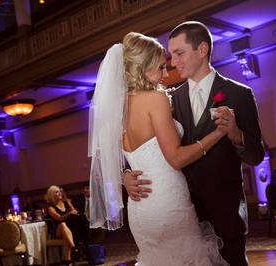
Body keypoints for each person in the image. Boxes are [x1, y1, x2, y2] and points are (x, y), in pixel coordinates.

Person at [123, 21, 264, 265]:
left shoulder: (239, 93)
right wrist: (127, 174)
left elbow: (256, 155)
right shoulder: (168, 99)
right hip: (178, 210)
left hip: (224, 211)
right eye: (170, 55)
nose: (173, 62)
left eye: (179, 53)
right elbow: (146, 143)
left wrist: (234, 133)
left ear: (202, 50)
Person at [88, 32, 229, 265]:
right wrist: (218, 133)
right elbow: (175, 158)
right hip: (168, 202)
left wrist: (124, 175)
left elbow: (114, 158)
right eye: (160, 67)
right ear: (142, 68)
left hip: (140, 208)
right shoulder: (154, 99)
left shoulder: (116, 109)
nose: (167, 73)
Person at [45, 186, 87, 262]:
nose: (60, 193)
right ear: (52, 195)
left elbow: (75, 212)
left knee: (75, 226)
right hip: (58, 230)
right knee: (63, 224)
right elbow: (59, 218)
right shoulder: (51, 208)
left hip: (70, 228)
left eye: (60, 191)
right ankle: (74, 247)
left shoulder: (66, 202)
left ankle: (69, 259)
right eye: (57, 192)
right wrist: (69, 213)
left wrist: (72, 210)